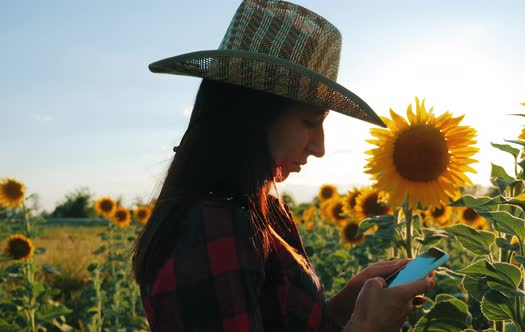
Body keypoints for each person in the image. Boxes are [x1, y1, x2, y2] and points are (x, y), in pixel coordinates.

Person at [132, 1, 435, 331]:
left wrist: (347, 302)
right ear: (250, 117)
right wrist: (368, 326)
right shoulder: (210, 228)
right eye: (308, 122)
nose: (319, 148)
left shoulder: (261, 211)